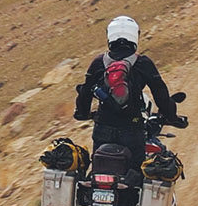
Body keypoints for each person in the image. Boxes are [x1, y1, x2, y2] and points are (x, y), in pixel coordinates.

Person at [73, 15, 186, 181]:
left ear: (110, 36)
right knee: (137, 175)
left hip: (103, 128)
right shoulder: (143, 63)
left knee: (98, 169)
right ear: (135, 36)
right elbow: (161, 95)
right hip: (132, 129)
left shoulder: (98, 63)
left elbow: (84, 94)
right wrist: (172, 117)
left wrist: (82, 113)